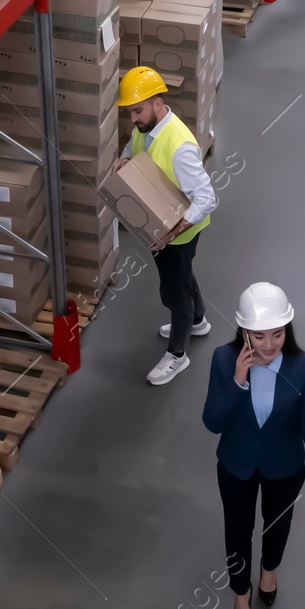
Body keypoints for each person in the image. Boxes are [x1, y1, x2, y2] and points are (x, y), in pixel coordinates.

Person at [201, 283, 305, 609]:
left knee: (277, 526)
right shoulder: (222, 359)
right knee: (238, 531)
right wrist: (237, 379)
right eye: (259, 336)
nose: (269, 345)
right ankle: (240, 592)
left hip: (284, 465)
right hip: (236, 465)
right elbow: (212, 423)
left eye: (277, 334)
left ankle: (268, 574)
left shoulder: (303, 366)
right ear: (243, 331)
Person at [113, 66, 217, 386]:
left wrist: (173, 231)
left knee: (174, 293)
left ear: (158, 103)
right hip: (164, 225)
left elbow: (207, 198)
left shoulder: (179, 146)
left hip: (178, 233)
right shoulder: (146, 128)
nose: (133, 119)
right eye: (130, 112)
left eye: (138, 111)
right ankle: (198, 321)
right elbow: (135, 145)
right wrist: (124, 158)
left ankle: (177, 355)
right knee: (182, 276)